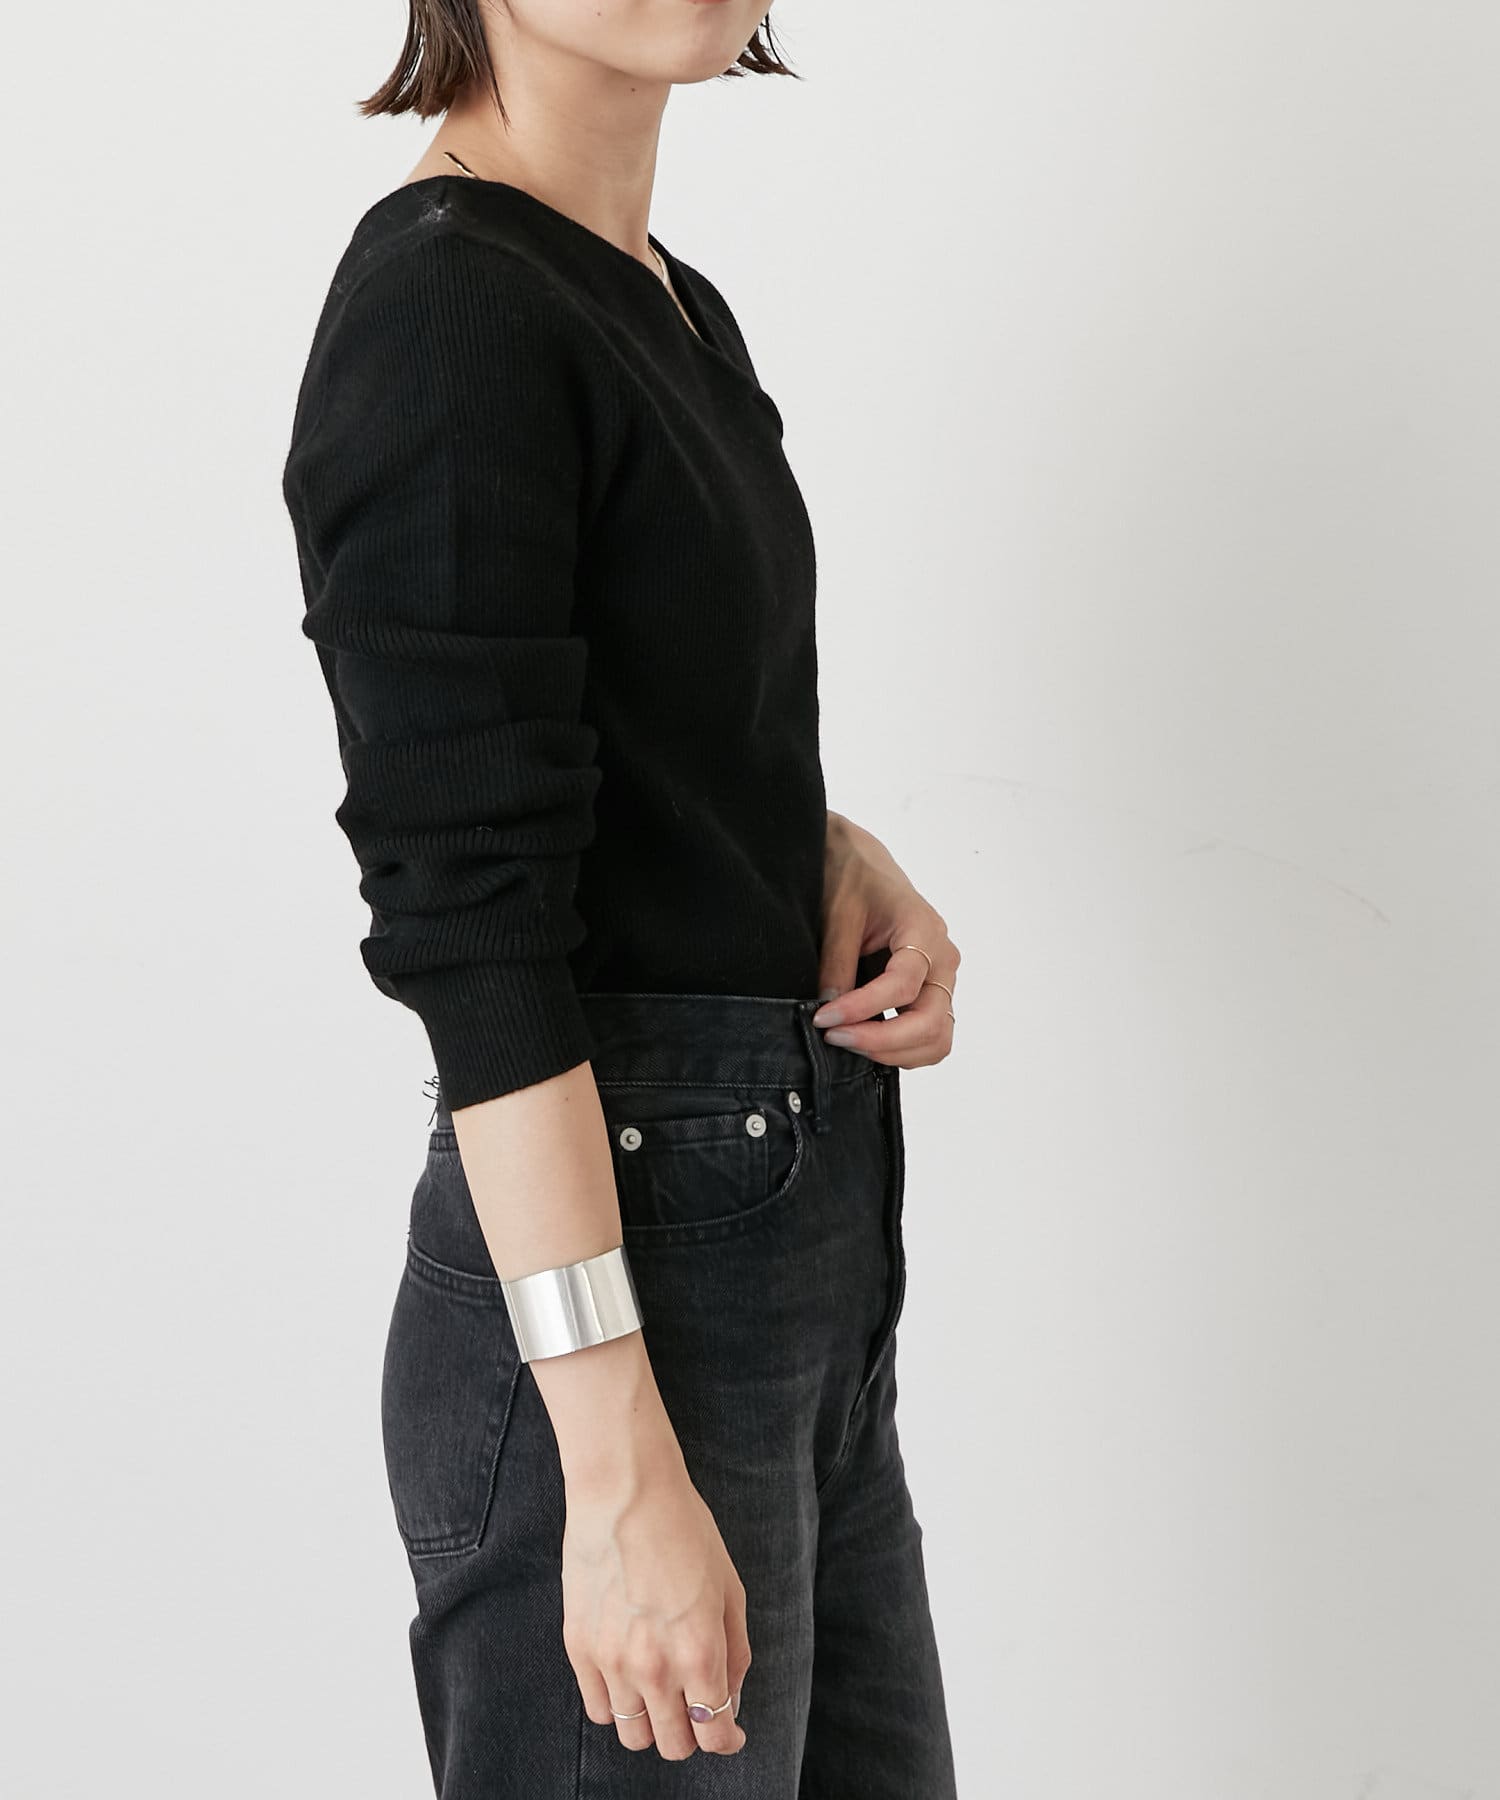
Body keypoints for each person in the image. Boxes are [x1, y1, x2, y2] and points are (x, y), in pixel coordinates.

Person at [280, 3, 962, 1793]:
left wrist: (816, 850)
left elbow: (621, 729)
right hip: (623, 1303)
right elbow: (475, 929)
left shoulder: (660, 298)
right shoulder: (447, 306)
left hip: (799, 1270)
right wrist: (615, 1462)